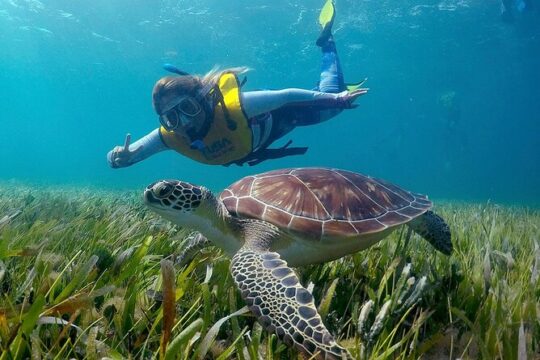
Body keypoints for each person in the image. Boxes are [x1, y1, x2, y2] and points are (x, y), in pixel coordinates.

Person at [107, 0, 368, 168]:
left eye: (187, 108)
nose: (183, 122)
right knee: (328, 100)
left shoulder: (237, 107)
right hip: (254, 144)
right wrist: (117, 157)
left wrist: (337, 99)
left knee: (331, 103)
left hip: (279, 117)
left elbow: (286, 96)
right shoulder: (170, 137)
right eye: (172, 118)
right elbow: (127, 157)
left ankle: (327, 42)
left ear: (200, 100)